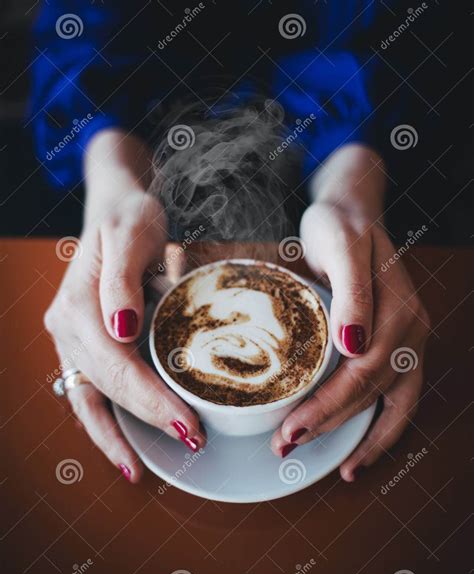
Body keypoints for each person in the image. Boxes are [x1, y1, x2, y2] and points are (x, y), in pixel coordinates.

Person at [31, 1, 429, 483]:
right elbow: (79, 31)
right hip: (135, 180)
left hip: (358, 184)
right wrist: (112, 192)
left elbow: (372, 32)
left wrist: (352, 201)